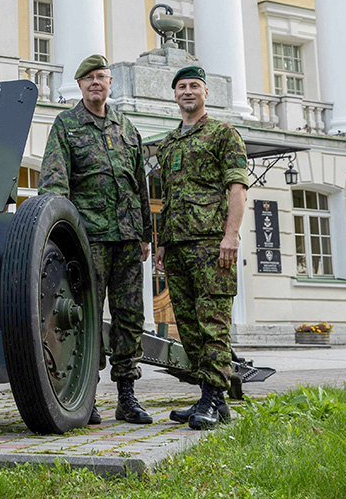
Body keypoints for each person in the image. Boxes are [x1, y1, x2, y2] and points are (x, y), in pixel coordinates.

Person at [38, 54, 154, 425]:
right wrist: (60, 237)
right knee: (84, 316)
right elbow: (55, 184)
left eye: (101, 77)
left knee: (129, 317)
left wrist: (146, 235)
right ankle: (85, 396)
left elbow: (140, 185)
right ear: (80, 86)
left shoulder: (126, 128)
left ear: (109, 83)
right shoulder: (66, 125)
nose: (96, 84)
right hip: (89, 240)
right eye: (89, 79)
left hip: (127, 238)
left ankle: (127, 396)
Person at [153, 66, 249, 430]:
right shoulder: (168, 144)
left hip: (212, 246)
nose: (188, 92)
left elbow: (237, 188)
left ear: (206, 93)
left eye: (194, 86)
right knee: (190, 328)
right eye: (181, 87)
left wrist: (231, 236)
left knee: (213, 324)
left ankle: (211, 398)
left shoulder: (223, 134)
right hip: (177, 247)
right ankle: (214, 401)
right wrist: (162, 244)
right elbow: (166, 199)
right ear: (175, 95)